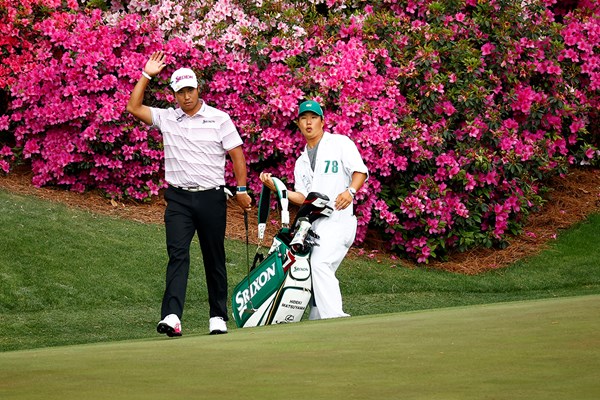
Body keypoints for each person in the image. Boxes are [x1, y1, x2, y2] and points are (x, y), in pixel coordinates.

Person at [126, 51, 252, 336]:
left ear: (198, 89)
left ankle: (217, 317)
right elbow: (133, 107)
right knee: (177, 254)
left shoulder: (219, 118)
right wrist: (146, 75)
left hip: (211, 197)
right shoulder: (168, 118)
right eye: (180, 92)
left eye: (190, 90)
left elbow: (237, 155)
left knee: (213, 256)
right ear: (173, 94)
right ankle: (172, 316)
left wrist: (242, 189)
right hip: (179, 199)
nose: (186, 96)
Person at [260, 100, 368, 320]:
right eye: (303, 118)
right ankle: (316, 320)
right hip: (316, 226)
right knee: (313, 272)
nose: (308, 122)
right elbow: (302, 197)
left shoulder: (339, 143)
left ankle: (336, 318)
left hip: (340, 220)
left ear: (322, 121)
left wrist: (351, 192)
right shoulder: (301, 161)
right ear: (298, 123)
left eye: (313, 117)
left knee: (319, 264)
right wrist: (278, 188)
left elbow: (360, 172)